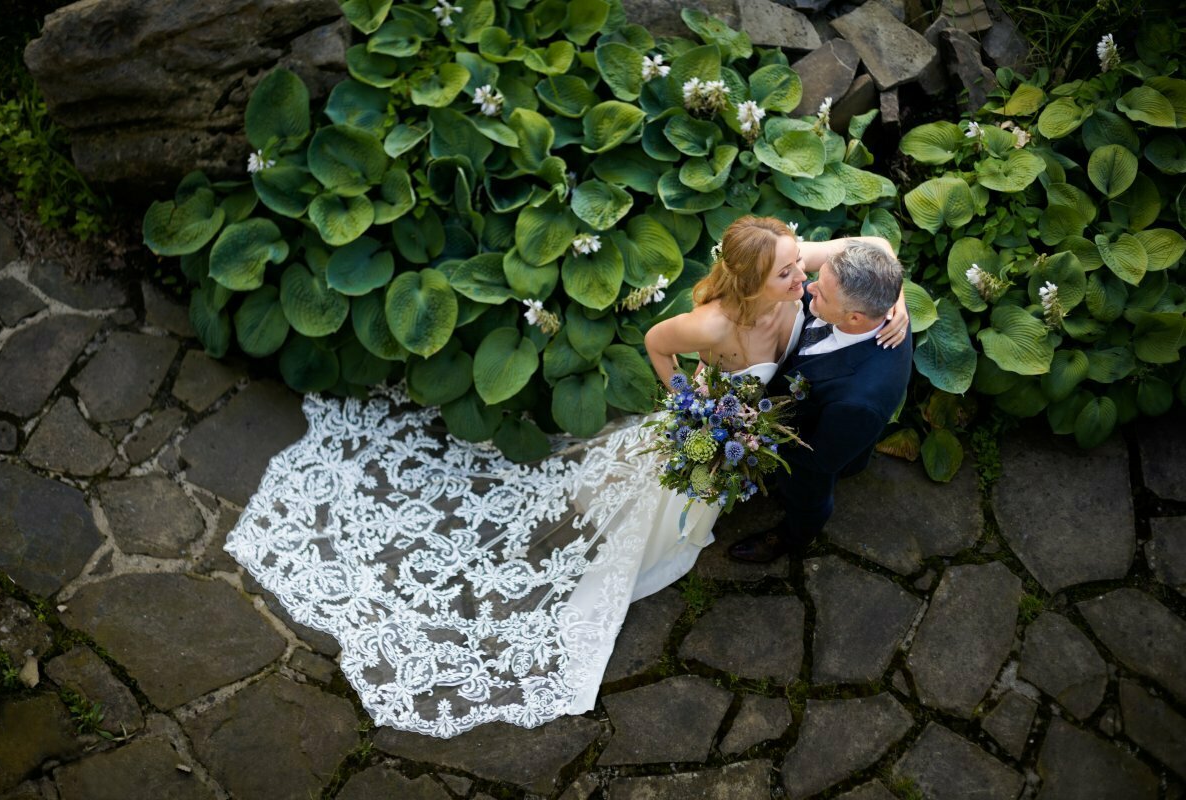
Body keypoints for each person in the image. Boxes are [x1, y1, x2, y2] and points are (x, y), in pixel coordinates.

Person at [224, 215, 907, 739]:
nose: (806, 277)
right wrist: (690, 410)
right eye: (795, 273)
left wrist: (892, 306)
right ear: (762, 281)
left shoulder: (808, 279)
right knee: (650, 498)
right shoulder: (718, 320)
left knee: (690, 504)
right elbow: (657, 345)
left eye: (806, 271)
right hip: (714, 425)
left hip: (753, 426)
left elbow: (870, 245)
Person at [728, 236, 912, 563]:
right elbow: (882, 245)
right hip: (801, 407)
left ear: (855, 318)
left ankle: (791, 539)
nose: (809, 287)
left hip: (815, 447)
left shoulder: (859, 400)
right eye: (820, 279)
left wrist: (754, 434)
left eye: (822, 293)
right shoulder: (875, 299)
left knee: (806, 495)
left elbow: (820, 460)